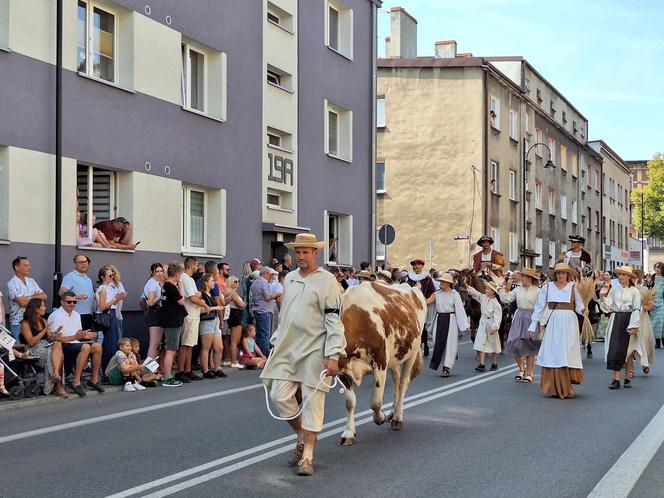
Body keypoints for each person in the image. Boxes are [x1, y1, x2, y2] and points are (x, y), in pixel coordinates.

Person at [260, 233, 346, 477]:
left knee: (312, 402)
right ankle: (301, 435)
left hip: (314, 349)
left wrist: (334, 354)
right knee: (279, 395)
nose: (300, 256)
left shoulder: (327, 280)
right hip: (288, 347)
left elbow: (333, 319)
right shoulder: (289, 279)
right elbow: (285, 314)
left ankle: (307, 456)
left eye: (305, 252)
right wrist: (275, 343)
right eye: (297, 252)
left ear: (315, 253)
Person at [528, 263, 585, 399]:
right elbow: (540, 306)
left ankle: (568, 386)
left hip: (569, 322)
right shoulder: (548, 287)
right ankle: (555, 387)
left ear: (568, 274)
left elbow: (579, 305)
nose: (560, 275)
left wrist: (583, 310)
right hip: (554, 321)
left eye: (563, 273)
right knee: (555, 353)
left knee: (567, 353)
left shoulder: (573, 287)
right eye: (558, 273)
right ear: (555, 275)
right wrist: (533, 324)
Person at [48, 291, 104, 397]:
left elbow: (78, 334)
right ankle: (76, 381)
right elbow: (57, 339)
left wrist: (86, 335)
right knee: (86, 347)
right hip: (63, 345)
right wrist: (76, 337)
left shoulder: (76, 315)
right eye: (69, 302)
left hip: (75, 343)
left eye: (74, 302)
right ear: (62, 302)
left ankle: (94, 379)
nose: (72, 304)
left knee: (97, 346)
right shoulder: (56, 315)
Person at [600, 266, 641, 390]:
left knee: (628, 350)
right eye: (619, 275)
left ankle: (627, 377)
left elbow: (636, 308)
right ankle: (616, 379)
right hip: (616, 318)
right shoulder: (614, 289)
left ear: (629, 277)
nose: (621, 277)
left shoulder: (634, 291)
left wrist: (634, 325)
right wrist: (603, 298)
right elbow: (609, 305)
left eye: (623, 275)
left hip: (629, 319)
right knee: (615, 348)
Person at [498, 268, 541, 383]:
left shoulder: (538, 290)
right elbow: (505, 299)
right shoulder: (517, 290)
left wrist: (540, 321)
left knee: (530, 344)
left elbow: (542, 306)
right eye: (522, 276)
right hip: (519, 316)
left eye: (525, 277)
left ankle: (530, 373)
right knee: (514, 341)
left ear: (531, 278)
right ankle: (521, 369)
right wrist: (500, 288)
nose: (523, 279)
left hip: (532, 317)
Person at [20, 298, 68, 398]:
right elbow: (31, 342)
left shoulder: (43, 321)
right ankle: (58, 386)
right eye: (43, 306)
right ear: (36, 309)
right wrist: (43, 331)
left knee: (58, 344)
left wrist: (55, 334)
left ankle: (55, 374)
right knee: (59, 356)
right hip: (33, 350)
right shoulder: (25, 323)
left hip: (46, 345)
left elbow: (50, 339)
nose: (45, 308)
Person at [427, 273, 469, 377]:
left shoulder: (454, 294)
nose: (441, 283)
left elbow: (459, 309)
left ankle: (446, 367)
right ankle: (441, 362)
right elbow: (426, 302)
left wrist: (463, 325)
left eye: (443, 281)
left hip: (451, 320)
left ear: (448, 283)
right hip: (439, 319)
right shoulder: (437, 294)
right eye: (440, 281)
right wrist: (417, 292)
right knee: (438, 342)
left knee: (450, 343)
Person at [177, 257, 208, 382]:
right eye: (196, 266)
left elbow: (197, 294)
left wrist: (199, 296)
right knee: (185, 344)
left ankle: (188, 370)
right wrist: (205, 305)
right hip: (189, 315)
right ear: (192, 265)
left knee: (190, 345)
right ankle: (180, 371)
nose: (197, 268)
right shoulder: (184, 277)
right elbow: (192, 297)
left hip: (194, 315)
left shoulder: (190, 279)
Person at [7, 256, 47, 340]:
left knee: (34, 347)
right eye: (25, 265)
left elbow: (44, 296)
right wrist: (35, 297)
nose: (29, 267)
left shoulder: (31, 281)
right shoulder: (11, 283)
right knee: (20, 348)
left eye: (29, 265)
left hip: (34, 320)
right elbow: (22, 303)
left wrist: (27, 297)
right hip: (18, 322)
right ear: (16, 267)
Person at [466, 281, 503, 372]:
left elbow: (498, 316)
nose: (486, 290)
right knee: (481, 342)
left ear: (493, 291)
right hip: (483, 322)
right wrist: (467, 286)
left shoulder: (496, 304)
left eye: (488, 289)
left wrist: (495, 327)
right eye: (486, 289)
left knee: (493, 343)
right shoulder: (483, 298)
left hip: (491, 323)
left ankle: (494, 363)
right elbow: (475, 293)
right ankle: (482, 363)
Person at [160, 262, 186, 387]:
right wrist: (181, 287)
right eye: (181, 273)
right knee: (171, 350)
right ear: (177, 273)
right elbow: (181, 301)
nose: (181, 276)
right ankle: (167, 377)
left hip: (169, 321)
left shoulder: (166, 285)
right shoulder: (171, 286)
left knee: (170, 349)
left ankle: (167, 375)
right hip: (173, 321)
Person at [626, 270, 656, 377]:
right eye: (632, 277)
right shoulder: (627, 290)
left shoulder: (644, 289)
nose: (634, 279)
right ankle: (631, 369)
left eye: (635, 277)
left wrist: (643, 307)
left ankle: (644, 363)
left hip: (642, 318)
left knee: (644, 341)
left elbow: (650, 304)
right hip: (629, 318)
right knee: (630, 343)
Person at [96, 266, 126, 371]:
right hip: (109, 315)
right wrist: (115, 299)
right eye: (109, 275)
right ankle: (108, 370)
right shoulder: (103, 288)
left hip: (111, 314)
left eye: (112, 275)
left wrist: (117, 299)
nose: (112, 277)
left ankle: (110, 369)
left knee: (112, 343)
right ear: (102, 277)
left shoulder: (107, 287)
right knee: (110, 344)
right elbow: (102, 306)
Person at [406, 258, 436, 357]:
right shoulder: (409, 278)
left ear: (422, 266)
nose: (416, 267)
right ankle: (415, 346)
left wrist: (425, 299)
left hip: (423, 305)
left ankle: (425, 344)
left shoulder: (427, 278)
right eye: (415, 265)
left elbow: (432, 291)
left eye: (418, 265)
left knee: (423, 326)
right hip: (411, 305)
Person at [198, 273, 226, 378]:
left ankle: (216, 368)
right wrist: (215, 308)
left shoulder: (211, 294)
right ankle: (205, 370)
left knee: (219, 348)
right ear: (206, 282)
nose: (214, 283)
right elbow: (200, 310)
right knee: (206, 348)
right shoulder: (201, 295)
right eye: (212, 281)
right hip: (206, 322)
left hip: (215, 321)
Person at [249, 266, 282, 358]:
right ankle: (265, 355)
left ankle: (259, 354)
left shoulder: (255, 282)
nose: (271, 276)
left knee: (259, 334)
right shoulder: (264, 283)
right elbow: (267, 297)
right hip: (264, 310)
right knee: (265, 334)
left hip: (257, 310)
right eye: (270, 274)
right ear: (265, 273)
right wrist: (276, 294)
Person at [59, 254, 96, 331]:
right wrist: (77, 296)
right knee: (78, 339)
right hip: (76, 315)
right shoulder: (70, 276)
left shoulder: (88, 279)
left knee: (87, 339)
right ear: (75, 264)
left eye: (85, 262)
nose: (84, 264)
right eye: (80, 262)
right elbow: (61, 292)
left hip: (89, 314)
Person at [143, 263, 165, 373]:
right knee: (154, 344)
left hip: (158, 314)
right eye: (157, 271)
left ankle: (154, 370)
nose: (160, 273)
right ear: (152, 272)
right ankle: (148, 370)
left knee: (157, 344)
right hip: (154, 314)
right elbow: (150, 302)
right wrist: (161, 297)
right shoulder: (152, 284)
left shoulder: (156, 283)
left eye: (161, 271)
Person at [224, 276, 246, 369]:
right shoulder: (232, 293)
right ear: (231, 283)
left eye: (238, 281)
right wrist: (243, 304)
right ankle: (233, 361)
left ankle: (227, 359)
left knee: (232, 340)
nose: (237, 283)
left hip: (234, 315)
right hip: (235, 315)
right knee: (234, 340)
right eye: (235, 282)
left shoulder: (230, 292)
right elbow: (241, 304)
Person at [108, 265, 126, 338]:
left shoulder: (118, 284)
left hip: (116, 314)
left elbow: (120, 300)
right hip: (106, 315)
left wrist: (118, 314)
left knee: (118, 336)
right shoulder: (102, 284)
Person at [650, 262, 664, 348]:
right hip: (653, 302)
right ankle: (656, 342)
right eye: (656, 267)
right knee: (654, 323)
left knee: (661, 322)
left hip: (662, 302)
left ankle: (663, 340)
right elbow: (649, 288)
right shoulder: (652, 277)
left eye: (659, 267)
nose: (657, 269)